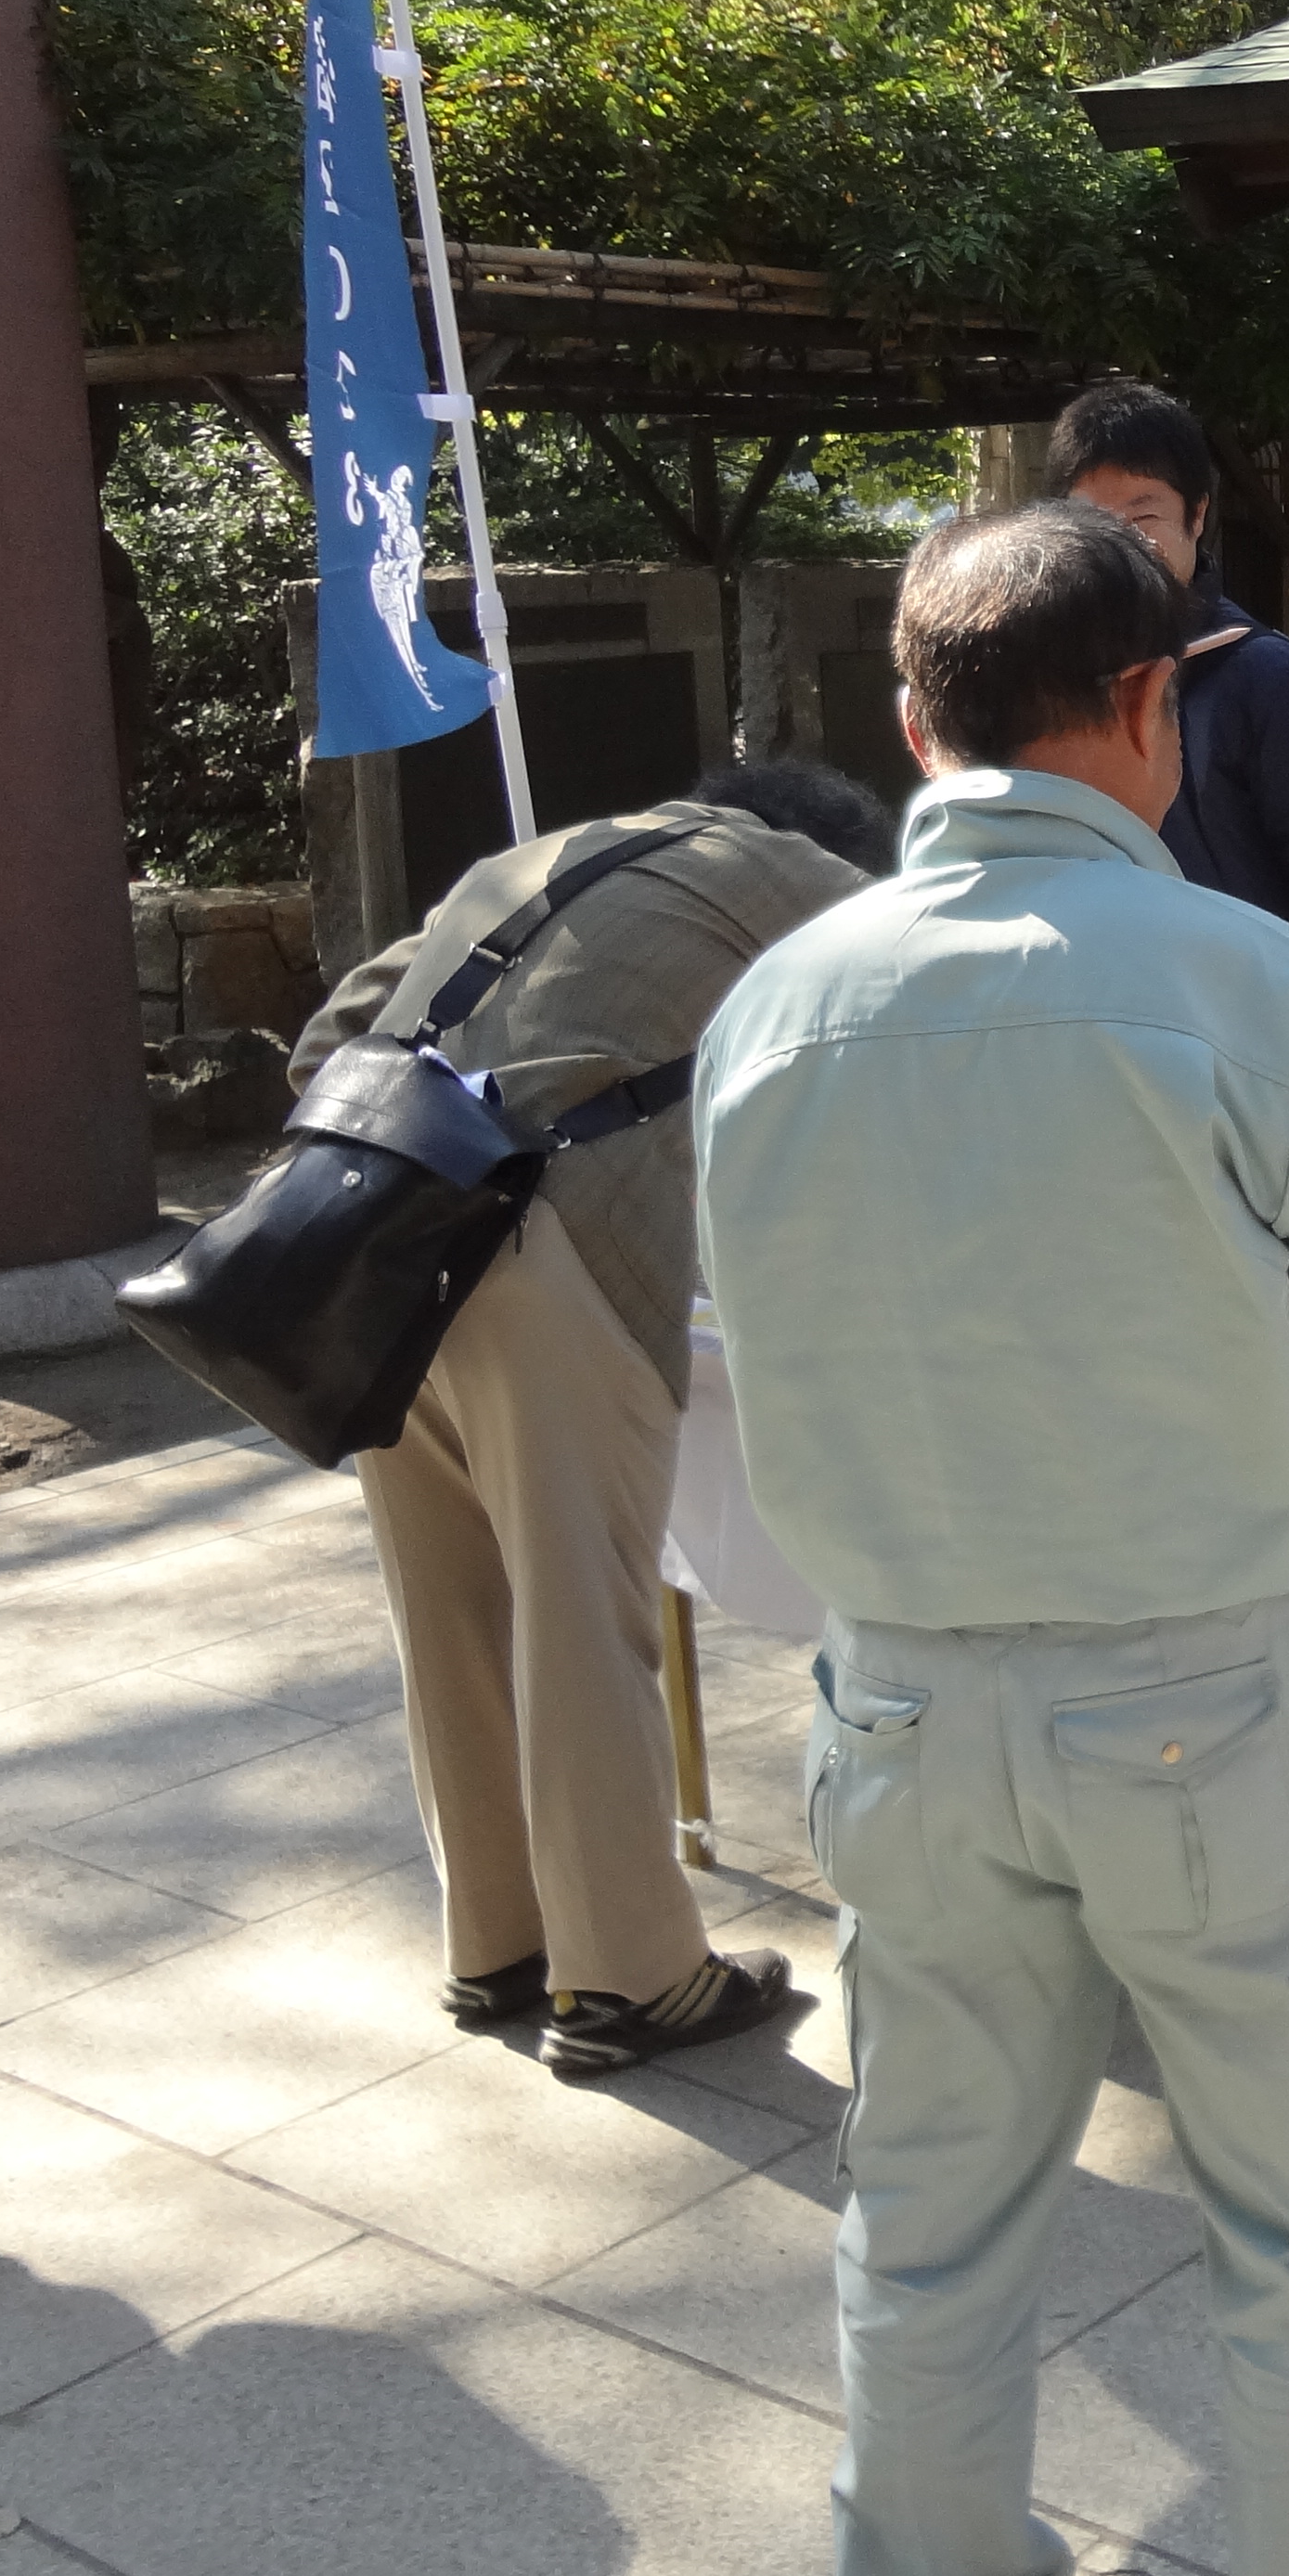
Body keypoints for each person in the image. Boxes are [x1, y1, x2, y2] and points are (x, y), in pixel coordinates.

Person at [692, 503, 1289, 2576]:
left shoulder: (775, 1004)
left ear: (913, 724)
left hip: (895, 1702)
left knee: (936, 2226)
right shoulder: (1250, 987)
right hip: (1210, 1706)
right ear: (1157, 709)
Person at [288, 755, 889, 2076]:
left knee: (446, 1604)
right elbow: (920, 979)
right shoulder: (789, 870)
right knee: (580, 1611)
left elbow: (338, 1025)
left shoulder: (542, 856)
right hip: (541, 1248)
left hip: (377, 1239)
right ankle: (627, 1981)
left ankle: (497, 1942)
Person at [1046, 376, 1289, 968]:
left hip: (1247, 1027)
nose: (1119, 545)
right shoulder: (1050, 678)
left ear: (1196, 515)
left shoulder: (1270, 680)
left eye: (1143, 517)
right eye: (1094, 522)